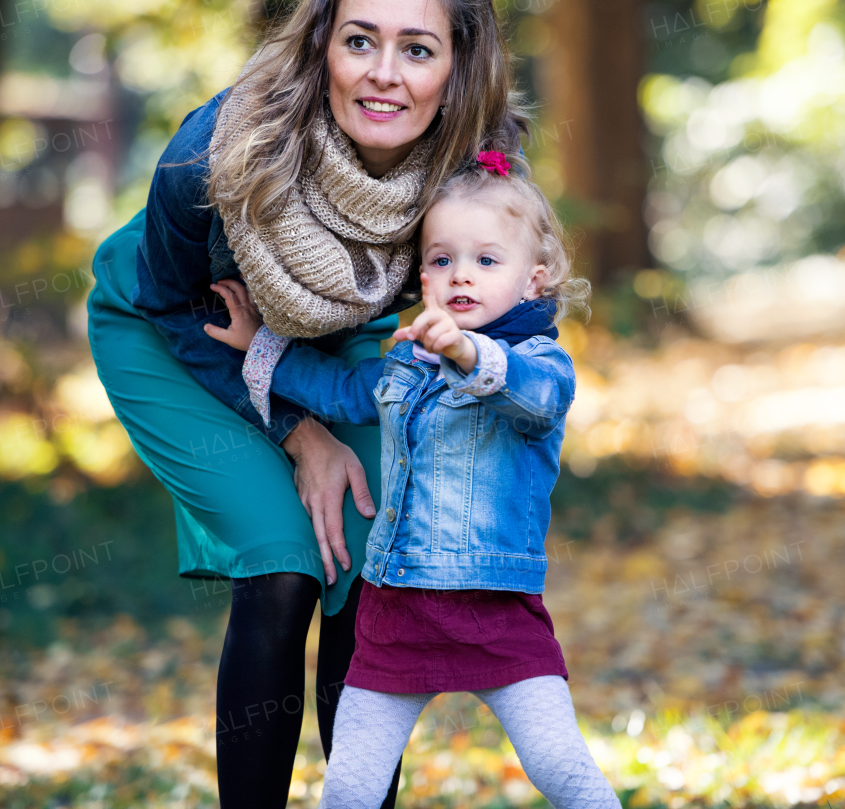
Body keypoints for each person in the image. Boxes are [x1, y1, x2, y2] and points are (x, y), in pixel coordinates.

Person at [85, 0, 528, 803]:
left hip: (336, 338)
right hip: (176, 331)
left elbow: (512, 308)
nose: (384, 75)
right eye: (360, 40)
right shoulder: (210, 154)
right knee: (285, 564)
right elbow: (176, 307)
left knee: (367, 569)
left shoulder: (472, 168)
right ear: (324, 41)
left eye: (418, 49)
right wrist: (300, 432)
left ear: (460, 62)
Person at [208, 156, 619, 808]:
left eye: (487, 261)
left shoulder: (541, 362)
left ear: (535, 281)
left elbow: (534, 399)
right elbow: (344, 391)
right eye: (440, 258)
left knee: (560, 764)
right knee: (350, 784)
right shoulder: (408, 357)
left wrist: (465, 351)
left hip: (495, 610)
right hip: (395, 611)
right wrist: (260, 344)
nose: (460, 274)